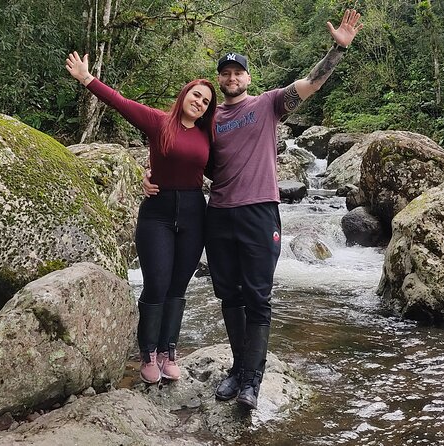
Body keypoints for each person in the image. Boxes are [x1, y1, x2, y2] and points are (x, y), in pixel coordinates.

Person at [143, 9, 363, 408]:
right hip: (219, 214)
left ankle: (252, 381)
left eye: (237, 73)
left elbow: (311, 83)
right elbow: (182, 151)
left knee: (257, 296)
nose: (231, 79)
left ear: (247, 77)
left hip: (259, 211)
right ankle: (236, 369)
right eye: (224, 73)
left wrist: (337, 50)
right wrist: (150, 174)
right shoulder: (209, 119)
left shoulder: (268, 104)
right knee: (229, 295)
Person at [65, 51, 217, 384]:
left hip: (194, 213)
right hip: (157, 213)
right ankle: (148, 352)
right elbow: (119, 102)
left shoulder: (208, 135)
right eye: (196, 95)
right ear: (184, 95)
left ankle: (168, 351)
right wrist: (86, 78)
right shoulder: (158, 121)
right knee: (157, 283)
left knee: (178, 286)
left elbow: (226, 166)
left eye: (206, 101)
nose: (200, 103)